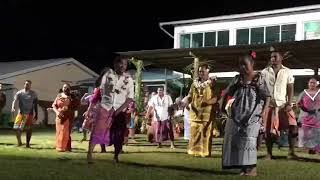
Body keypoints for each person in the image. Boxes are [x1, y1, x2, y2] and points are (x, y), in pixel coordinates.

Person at [221, 51, 270, 176]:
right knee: (236, 140)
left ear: (252, 63)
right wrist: (222, 106)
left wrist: (263, 113)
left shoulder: (258, 78)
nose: (242, 67)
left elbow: (267, 97)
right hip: (237, 113)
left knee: (249, 141)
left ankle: (252, 169)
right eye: (240, 65)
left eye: (245, 64)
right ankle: (243, 168)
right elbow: (227, 92)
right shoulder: (238, 78)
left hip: (253, 114)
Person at [261, 47, 298, 159]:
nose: (273, 58)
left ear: (281, 58)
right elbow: (261, 88)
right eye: (272, 57)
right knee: (268, 130)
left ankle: (291, 152)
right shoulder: (264, 72)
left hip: (283, 105)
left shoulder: (287, 71)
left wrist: (289, 103)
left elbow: (290, 87)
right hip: (269, 105)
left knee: (293, 126)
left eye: (275, 56)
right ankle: (269, 153)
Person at [99, 56, 134, 164]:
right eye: (120, 64)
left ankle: (116, 155)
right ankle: (106, 147)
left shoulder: (129, 80)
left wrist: (118, 111)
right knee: (108, 134)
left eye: (125, 64)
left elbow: (129, 99)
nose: (122, 66)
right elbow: (102, 92)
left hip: (120, 112)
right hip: (107, 110)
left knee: (119, 134)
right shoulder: (108, 77)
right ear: (115, 65)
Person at [185, 65, 217, 157]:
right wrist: (185, 103)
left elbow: (216, 97)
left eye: (203, 71)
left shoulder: (212, 83)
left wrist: (207, 102)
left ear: (208, 72)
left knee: (206, 134)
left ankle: (205, 153)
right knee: (194, 134)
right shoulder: (194, 84)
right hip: (195, 112)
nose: (201, 73)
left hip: (207, 113)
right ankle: (194, 152)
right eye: (199, 71)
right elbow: (190, 96)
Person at [52, 83, 80, 152]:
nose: (66, 89)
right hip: (59, 116)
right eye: (64, 87)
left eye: (67, 88)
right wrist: (57, 112)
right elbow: (54, 106)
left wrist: (68, 107)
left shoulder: (72, 97)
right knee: (59, 132)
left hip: (68, 116)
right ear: (62, 88)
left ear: (69, 89)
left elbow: (76, 106)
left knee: (66, 132)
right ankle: (59, 147)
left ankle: (66, 147)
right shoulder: (59, 96)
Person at [11, 80, 38, 148]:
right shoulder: (20, 93)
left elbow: (35, 104)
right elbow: (15, 100)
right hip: (21, 113)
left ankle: (27, 144)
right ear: (24, 85)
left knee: (29, 129)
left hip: (30, 114)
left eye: (29, 84)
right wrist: (13, 107)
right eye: (26, 84)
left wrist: (36, 114)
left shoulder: (33, 93)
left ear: (30, 86)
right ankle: (19, 142)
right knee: (16, 128)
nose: (27, 85)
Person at [297, 77, 320, 154]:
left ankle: (316, 149)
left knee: (316, 133)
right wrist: (303, 108)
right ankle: (307, 148)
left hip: (317, 117)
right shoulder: (303, 93)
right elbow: (298, 103)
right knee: (305, 133)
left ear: (317, 84)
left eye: (314, 83)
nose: (312, 84)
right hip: (305, 116)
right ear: (308, 84)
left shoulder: (319, 93)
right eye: (311, 82)